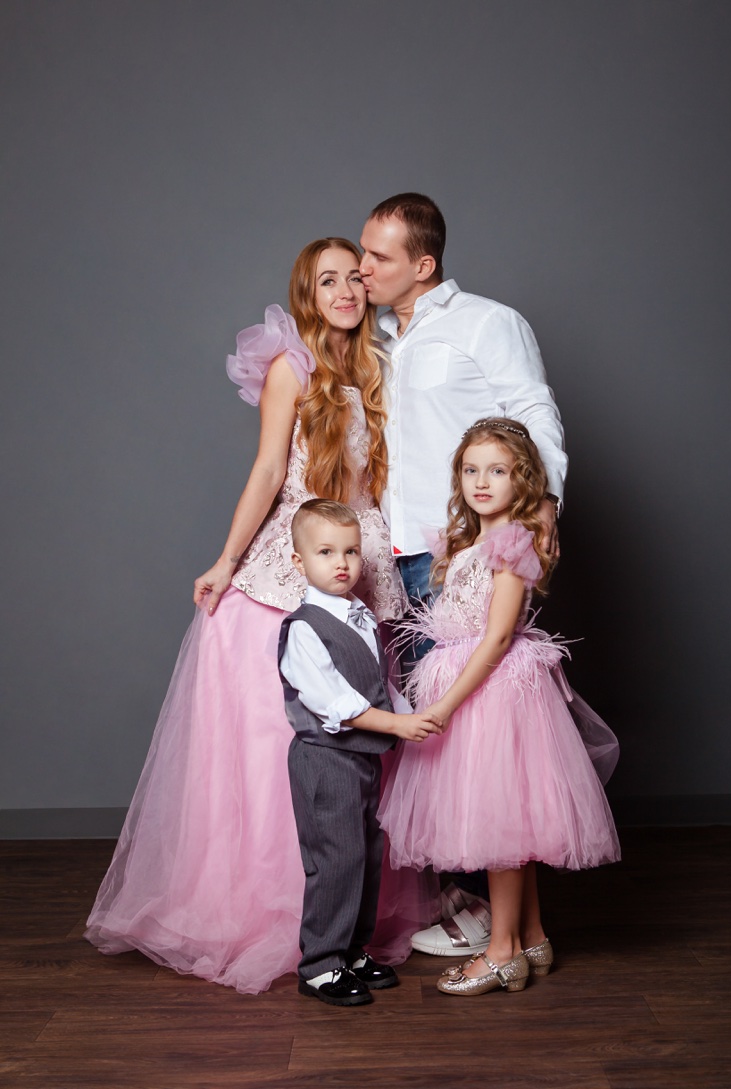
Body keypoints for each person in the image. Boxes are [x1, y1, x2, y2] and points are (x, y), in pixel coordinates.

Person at [85, 239, 437, 994]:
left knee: (363, 754)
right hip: (295, 557)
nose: (346, 291)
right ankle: (283, 924)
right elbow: (272, 469)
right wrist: (225, 559)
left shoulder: (378, 365)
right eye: (327, 281)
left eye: (354, 277)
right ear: (307, 294)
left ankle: (352, 931)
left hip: (361, 557)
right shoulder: (293, 369)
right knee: (283, 745)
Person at [359, 191, 569, 953]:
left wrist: (540, 512)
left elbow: (535, 415)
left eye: (379, 255)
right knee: (429, 738)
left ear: (424, 264)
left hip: (464, 555)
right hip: (396, 557)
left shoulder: (488, 322)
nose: (363, 266)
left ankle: (497, 929)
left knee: (481, 735)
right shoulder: (375, 336)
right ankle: (464, 905)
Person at [377, 418, 620, 996]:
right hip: (477, 689)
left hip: (492, 694)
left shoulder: (512, 543)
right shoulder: (469, 542)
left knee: (500, 824)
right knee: (509, 822)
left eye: (498, 471)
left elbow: (497, 637)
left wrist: (446, 705)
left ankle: (502, 952)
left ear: (524, 480)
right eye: (471, 470)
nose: (481, 482)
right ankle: (531, 936)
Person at [278, 500, 442, 1006]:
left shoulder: (360, 616)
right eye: (326, 552)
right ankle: (320, 963)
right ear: (299, 561)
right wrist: (398, 724)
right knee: (335, 860)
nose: (342, 563)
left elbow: (377, 686)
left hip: (363, 759)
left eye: (350, 551)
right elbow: (338, 704)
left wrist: (410, 714)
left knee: (368, 856)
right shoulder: (304, 628)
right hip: (325, 760)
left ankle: (352, 950)